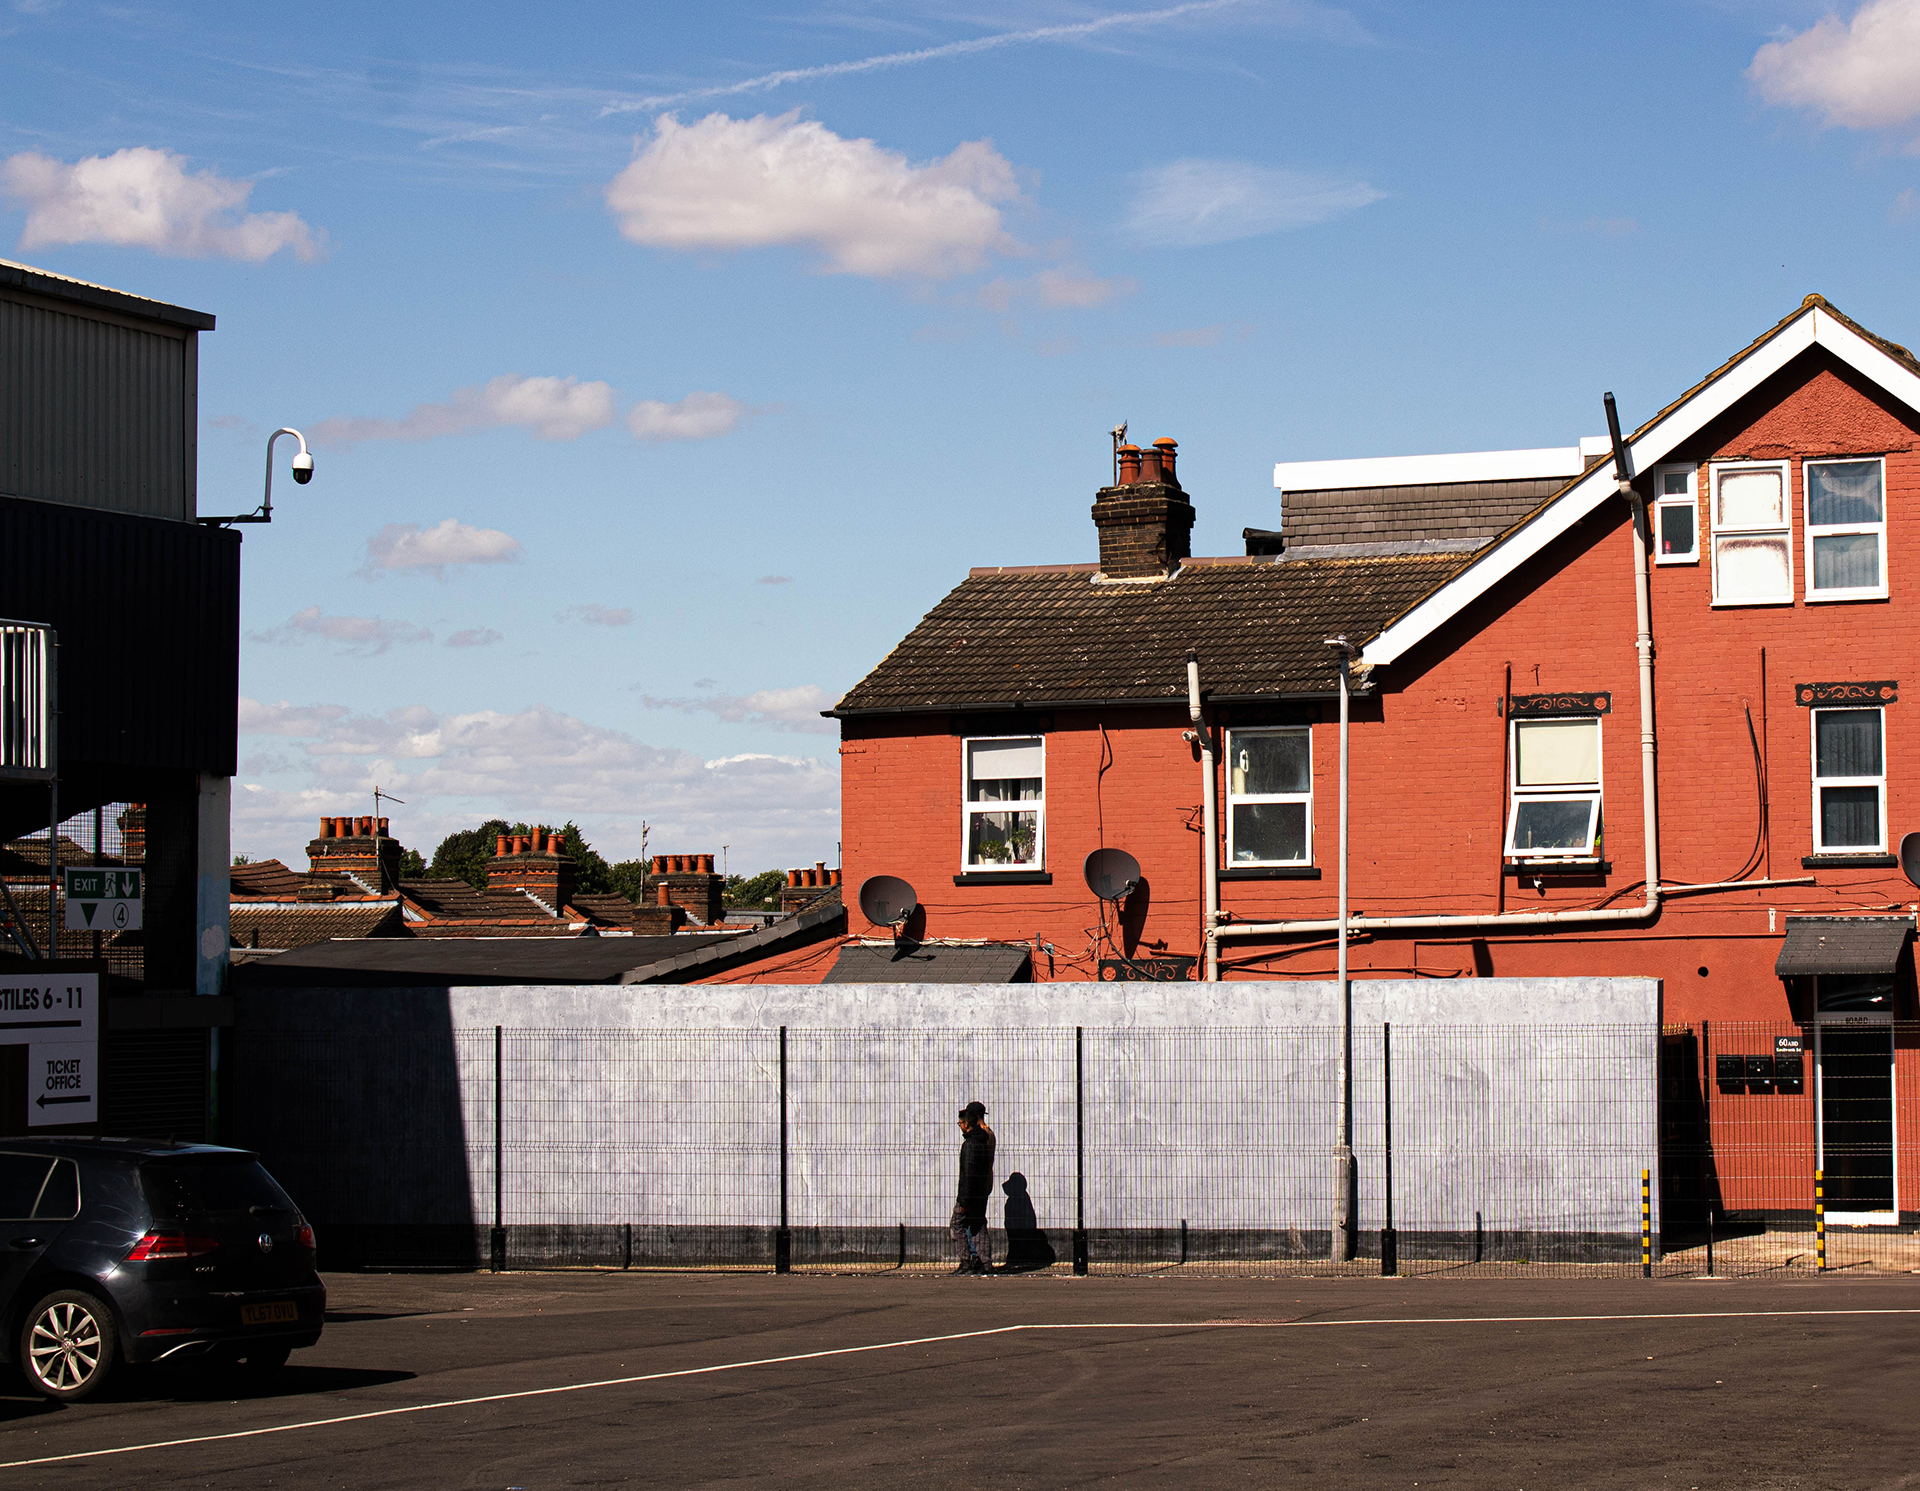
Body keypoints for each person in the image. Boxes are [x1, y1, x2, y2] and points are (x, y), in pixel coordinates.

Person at [950, 1100, 995, 1275]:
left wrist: (964, 1198)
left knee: (958, 1223)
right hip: (982, 1187)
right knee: (978, 1223)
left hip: (972, 1190)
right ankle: (985, 1262)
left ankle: (967, 1260)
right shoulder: (986, 1137)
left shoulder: (972, 1143)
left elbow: (968, 1173)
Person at [1000, 1171, 1056, 1272]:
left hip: (1020, 1233)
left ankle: (1018, 1259)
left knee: (1017, 1245)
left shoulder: (1019, 1199)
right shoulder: (1021, 1198)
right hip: (1018, 1232)